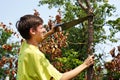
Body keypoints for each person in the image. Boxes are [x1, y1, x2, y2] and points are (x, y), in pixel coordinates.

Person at [16, 14, 94, 80]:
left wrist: (51, 32)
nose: (44, 30)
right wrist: (85, 65)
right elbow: (60, 78)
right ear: (32, 31)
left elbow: (34, 40)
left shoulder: (25, 46)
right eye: (41, 28)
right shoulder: (36, 55)